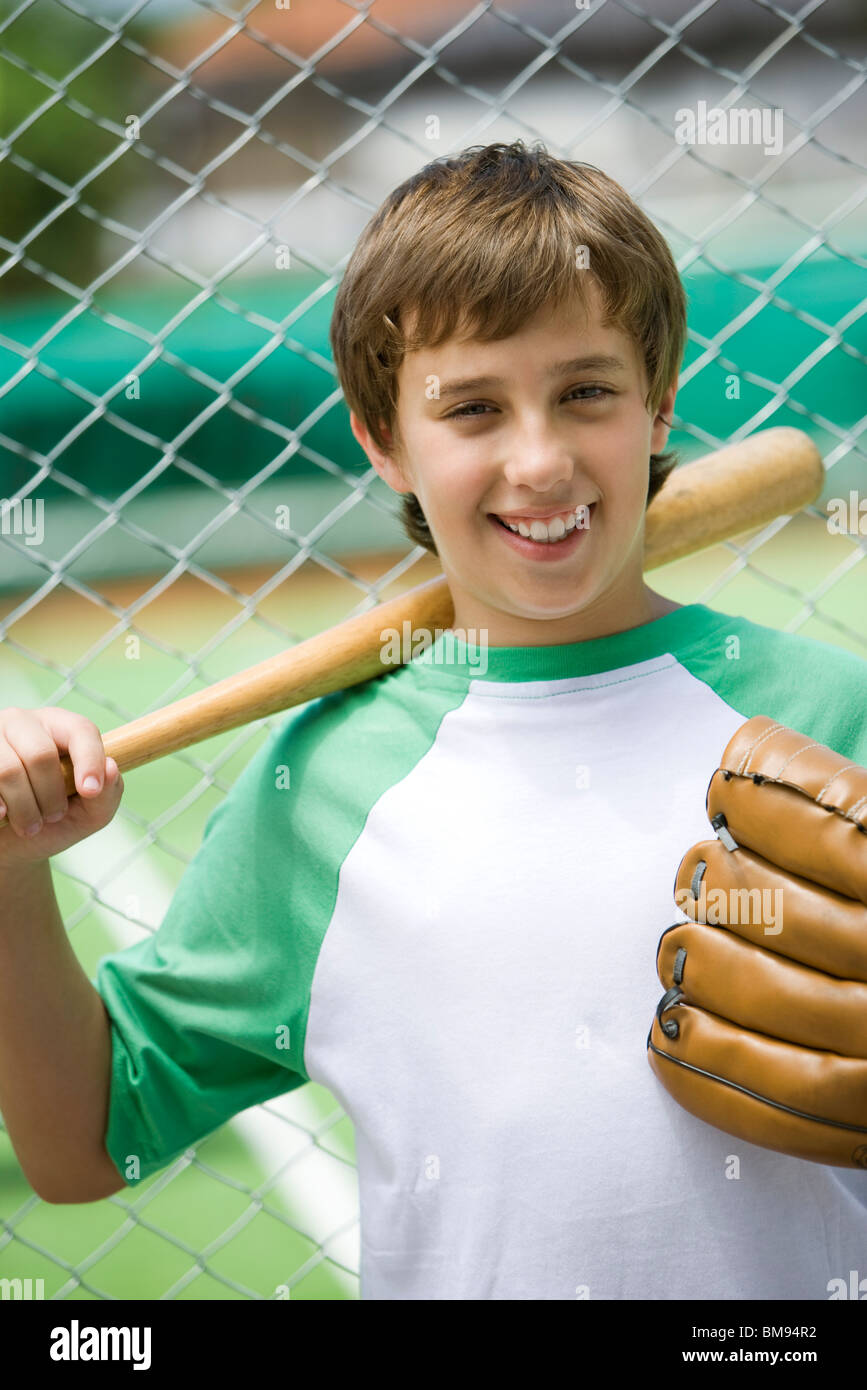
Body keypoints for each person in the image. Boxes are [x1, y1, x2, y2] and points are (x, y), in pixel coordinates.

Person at [1, 141, 865, 1300]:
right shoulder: (330, 781)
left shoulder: (826, 714)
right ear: (383, 439)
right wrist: (12, 876)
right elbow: (90, 1141)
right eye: (472, 408)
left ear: (660, 403)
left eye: (587, 392)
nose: (541, 460)